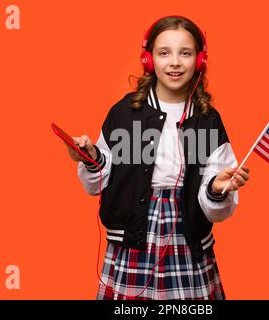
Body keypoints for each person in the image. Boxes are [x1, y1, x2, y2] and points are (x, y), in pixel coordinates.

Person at [65, 15, 250, 300]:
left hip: (186, 236)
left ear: (199, 61)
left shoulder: (208, 120)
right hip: (133, 236)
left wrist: (216, 188)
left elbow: (217, 207)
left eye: (185, 53)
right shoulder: (123, 113)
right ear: (148, 60)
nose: (174, 62)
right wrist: (91, 157)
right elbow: (98, 183)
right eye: (164, 53)